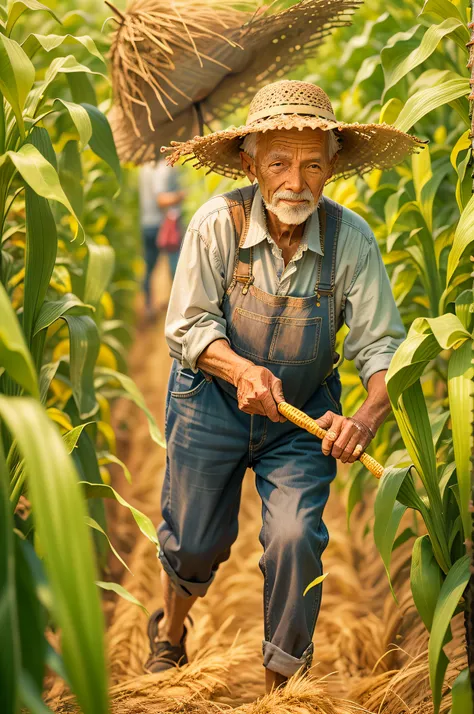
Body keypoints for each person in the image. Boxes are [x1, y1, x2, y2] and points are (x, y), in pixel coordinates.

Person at [144, 80, 424, 691]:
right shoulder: (216, 224)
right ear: (250, 164)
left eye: (312, 164)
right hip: (210, 403)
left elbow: (381, 345)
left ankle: (281, 689)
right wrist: (241, 371)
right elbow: (188, 325)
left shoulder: (351, 241)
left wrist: (367, 417)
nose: (295, 180)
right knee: (193, 543)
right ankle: (170, 632)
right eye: (278, 163)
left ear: (331, 169)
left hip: (299, 419)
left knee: (296, 537)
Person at [138, 160, 185, 317]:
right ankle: (178, 307)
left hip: (147, 223)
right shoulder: (162, 168)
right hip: (163, 225)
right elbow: (161, 199)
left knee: (149, 265)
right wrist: (181, 195)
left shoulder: (144, 168)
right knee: (175, 265)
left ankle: (148, 305)